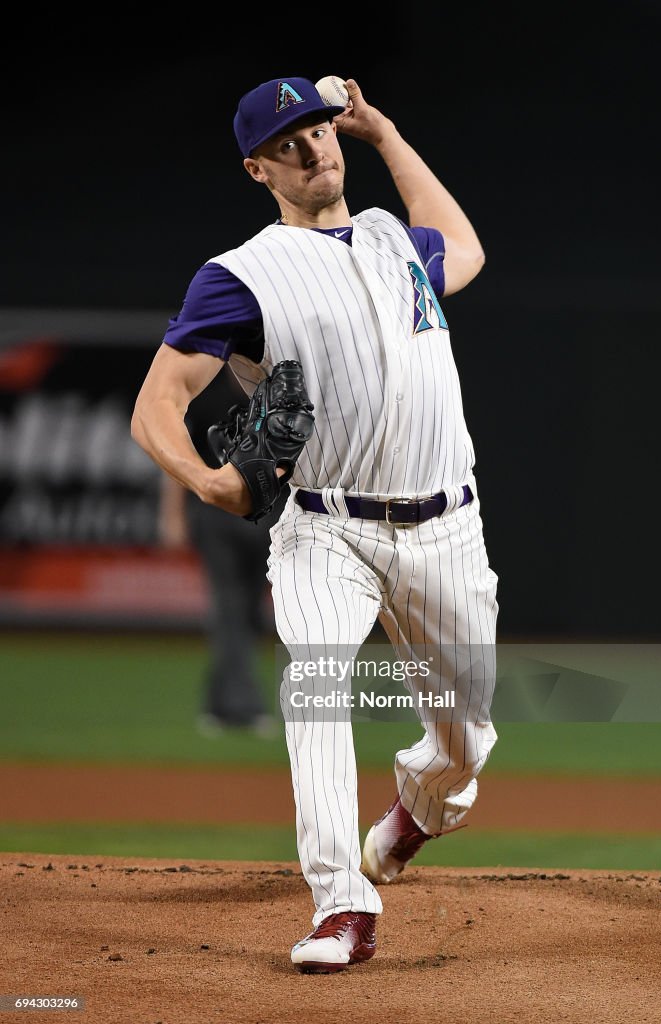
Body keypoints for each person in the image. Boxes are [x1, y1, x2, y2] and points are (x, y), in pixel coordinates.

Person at [131, 75, 499, 974]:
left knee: (466, 744)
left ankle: (418, 809)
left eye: (321, 129)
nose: (314, 148)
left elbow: (464, 248)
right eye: (288, 141)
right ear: (258, 167)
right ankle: (341, 902)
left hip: (447, 529)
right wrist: (209, 481)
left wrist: (383, 130)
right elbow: (155, 408)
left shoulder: (389, 241)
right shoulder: (239, 277)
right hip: (325, 532)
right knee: (317, 692)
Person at [157, 366, 285, 736]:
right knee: (229, 607)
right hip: (217, 518)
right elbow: (177, 458)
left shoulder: (280, 398)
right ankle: (242, 708)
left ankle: (217, 703)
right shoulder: (207, 395)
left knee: (249, 613)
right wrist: (172, 515)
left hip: (268, 518)